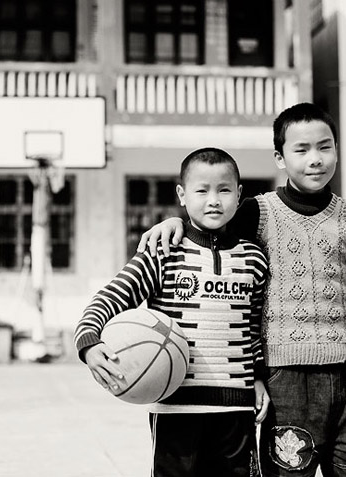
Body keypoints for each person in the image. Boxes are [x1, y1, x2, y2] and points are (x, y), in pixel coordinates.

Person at [137, 103, 346, 477]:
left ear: (337, 149)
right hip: (283, 381)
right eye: (301, 150)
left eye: (325, 147)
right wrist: (175, 219)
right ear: (279, 158)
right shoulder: (256, 212)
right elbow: (209, 227)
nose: (315, 159)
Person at [75, 147, 270, 477]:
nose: (213, 200)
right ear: (182, 195)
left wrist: (260, 377)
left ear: (239, 195)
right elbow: (108, 299)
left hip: (236, 408)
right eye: (201, 190)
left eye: (224, 190)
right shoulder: (162, 253)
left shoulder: (253, 258)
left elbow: (253, 329)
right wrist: (89, 343)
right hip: (176, 408)